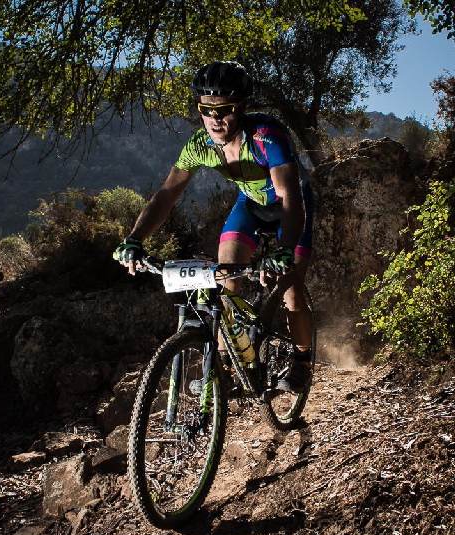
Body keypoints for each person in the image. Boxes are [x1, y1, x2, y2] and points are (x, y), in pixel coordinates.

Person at [113, 60, 315, 392]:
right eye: (206, 110)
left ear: (242, 107)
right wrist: (134, 238)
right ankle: (225, 367)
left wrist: (284, 250)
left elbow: (289, 196)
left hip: (290, 207)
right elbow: (167, 194)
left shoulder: (266, 137)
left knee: (290, 289)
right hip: (250, 204)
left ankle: (303, 360)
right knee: (224, 279)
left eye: (225, 110)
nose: (215, 119)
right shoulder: (199, 146)